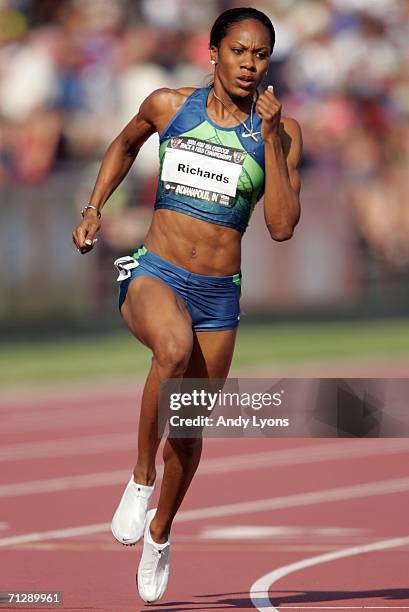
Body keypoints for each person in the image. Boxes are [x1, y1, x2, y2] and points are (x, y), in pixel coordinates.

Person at [72, 6, 302, 604]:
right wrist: (94, 206)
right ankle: (139, 479)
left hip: (219, 293)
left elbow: (280, 227)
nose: (249, 65)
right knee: (170, 349)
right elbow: (123, 147)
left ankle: (161, 532)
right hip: (155, 270)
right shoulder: (169, 105)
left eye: (260, 55)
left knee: (190, 430)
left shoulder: (281, 129)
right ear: (214, 52)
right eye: (239, 52)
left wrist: (273, 142)